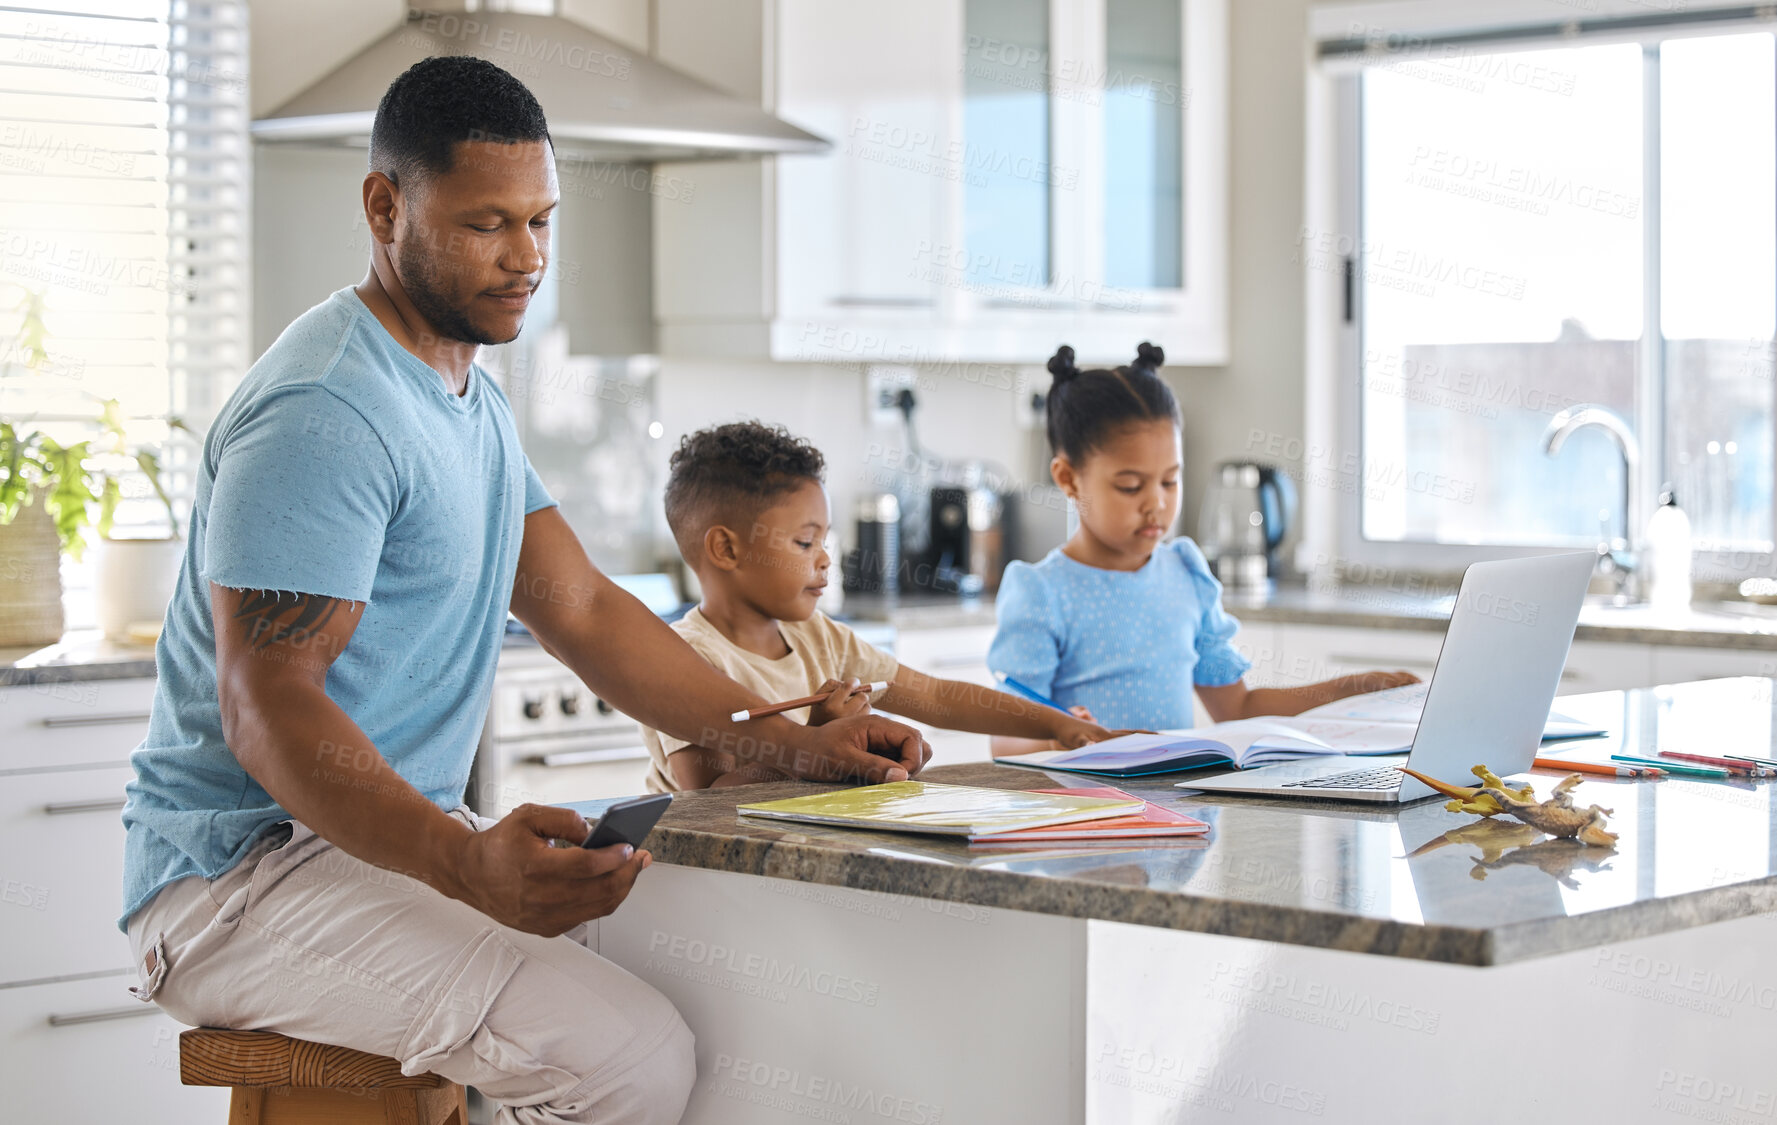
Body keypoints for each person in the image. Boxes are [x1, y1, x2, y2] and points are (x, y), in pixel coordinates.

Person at [118, 57, 929, 1125]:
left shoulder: (464, 395)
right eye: (487, 223)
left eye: (541, 219)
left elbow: (581, 607)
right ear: (383, 205)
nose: (527, 257)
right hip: (238, 885)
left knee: (721, 976)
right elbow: (266, 707)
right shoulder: (326, 411)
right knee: (628, 1059)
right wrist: (459, 860)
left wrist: (776, 740)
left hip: (365, 855)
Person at [988, 343, 1417, 756]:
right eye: (1130, 486)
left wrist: (1349, 689)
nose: (1156, 503)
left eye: (1170, 481)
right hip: (1080, 817)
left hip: (1180, 814)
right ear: (1068, 479)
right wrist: (1054, 739)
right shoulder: (1041, 592)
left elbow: (1238, 709)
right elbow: (1003, 739)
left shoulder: (1186, 575)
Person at [638, 421, 1113, 790]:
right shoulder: (687, 658)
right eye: (805, 543)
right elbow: (709, 796)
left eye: (824, 540)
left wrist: (1063, 726)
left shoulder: (818, 637)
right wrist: (813, 741)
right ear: (726, 549)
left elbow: (937, 696)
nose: (825, 558)